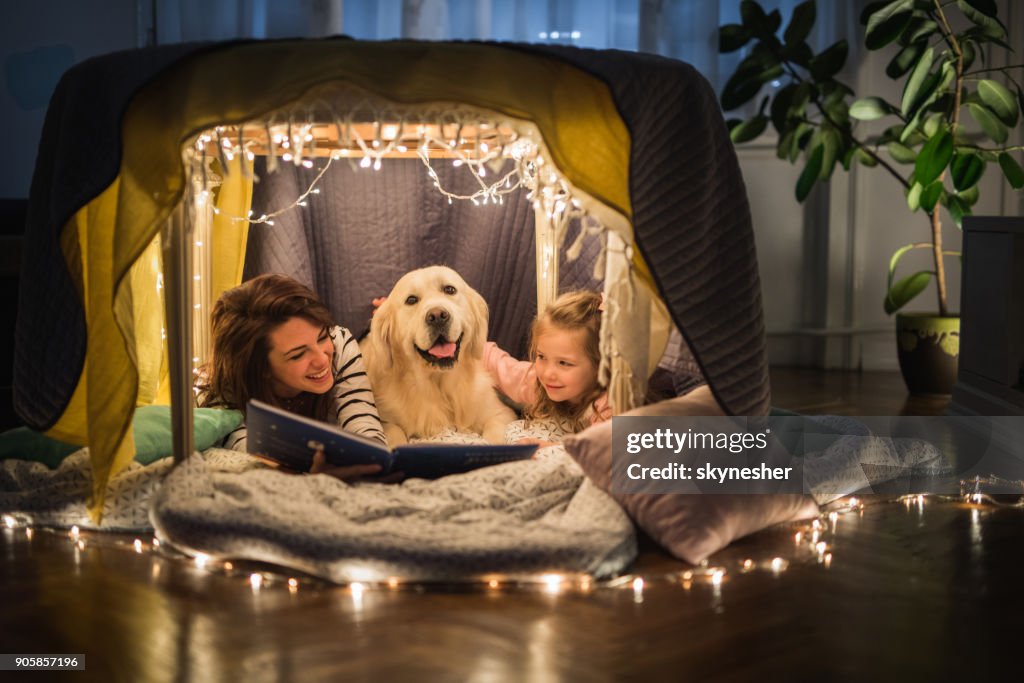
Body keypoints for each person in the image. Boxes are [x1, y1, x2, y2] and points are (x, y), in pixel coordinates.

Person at [196, 273, 389, 481]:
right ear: (261, 367)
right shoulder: (219, 386)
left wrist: (373, 461)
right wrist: (300, 474)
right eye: (298, 355)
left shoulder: (338, 343)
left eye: (322, 336)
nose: (321, 360)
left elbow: (365, 426)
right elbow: (249, 451)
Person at [484, 290, 611, 439]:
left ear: (600, 365)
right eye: (541, 356)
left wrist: (548, 448)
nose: (547, 373)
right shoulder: (536, 381)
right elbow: (498, 365)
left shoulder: (608, 405)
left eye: (564, 363)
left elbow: (601, 446)